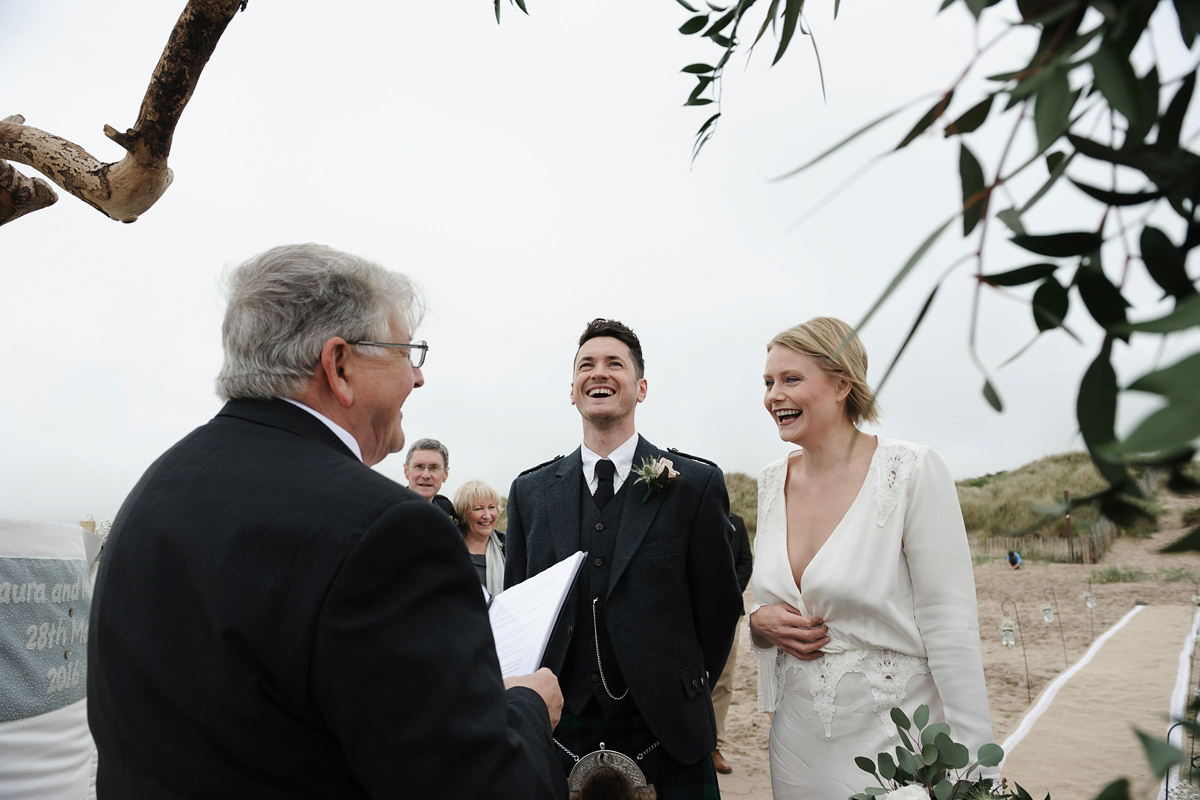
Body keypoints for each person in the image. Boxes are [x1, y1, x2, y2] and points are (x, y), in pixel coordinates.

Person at [87, 244, 565, 799]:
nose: (417, 378)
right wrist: (527, 707)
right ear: (339, 365)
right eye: (407, 353)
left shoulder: (156, 487)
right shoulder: (390, 532)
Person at [750, 317, 994, 799]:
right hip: (797, 746)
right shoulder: (770, 481)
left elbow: (950, 622)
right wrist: (759, 625)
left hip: (894, 739)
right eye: (768, 382)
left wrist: (973, 766)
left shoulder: (911, 470)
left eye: (791, 379)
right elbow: (771, 602)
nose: (774, 395)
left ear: (842, 384)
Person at [505, 318, 743, 800]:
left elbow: (719, 610)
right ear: (571, 391)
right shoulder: (529, 492)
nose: (600, 373)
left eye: (615, 363)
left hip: (666, 728)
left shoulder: (694, 485)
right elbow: (519, 609)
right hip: (558, 725)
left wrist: (679, 686)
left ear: (641, 387)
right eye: (586, 365)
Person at [710, 512, 753, 775]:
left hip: (728, 616)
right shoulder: (688, 511)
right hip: (687, 613)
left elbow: (746, 562)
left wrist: (727, 598)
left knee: (723, 681)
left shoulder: (736, 521)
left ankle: (714, 747)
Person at [454, 479, 506, 598]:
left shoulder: (510, 547)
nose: (487, 516)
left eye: (492, 507)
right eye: (478, 509)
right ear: (463, 515)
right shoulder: (449, 551)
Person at [404, 437, 457, 520]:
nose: (426, 475)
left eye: (434, 468)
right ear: (406, 471)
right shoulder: (388, 510)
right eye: (419, 466)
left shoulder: (446, 508)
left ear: (445, 474)